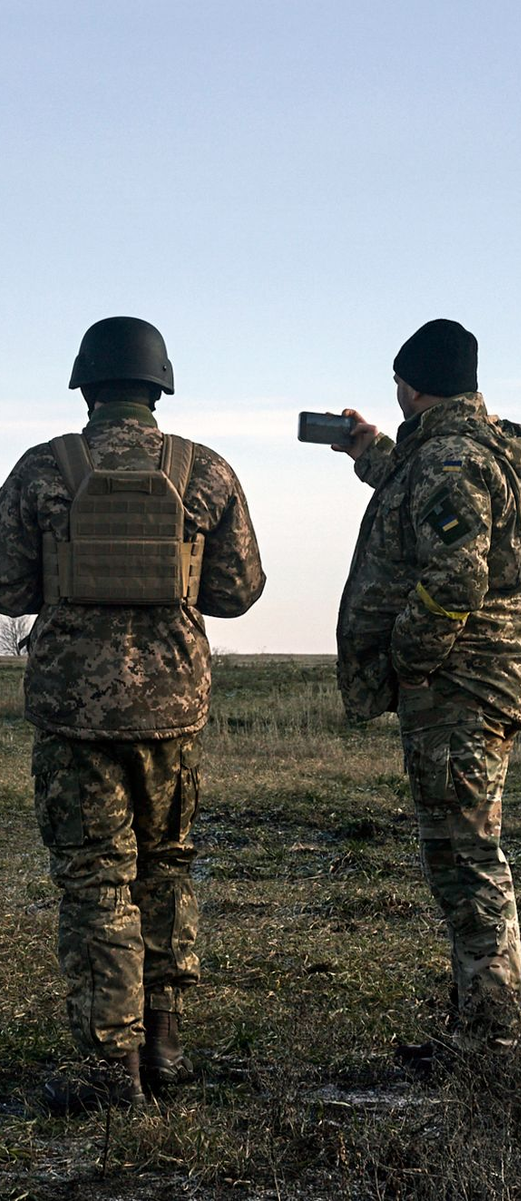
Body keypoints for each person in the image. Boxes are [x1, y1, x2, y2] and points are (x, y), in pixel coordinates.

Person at [0, 318, 265, 1110]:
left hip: (75, 716)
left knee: (97, 881)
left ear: (87, 387)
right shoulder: (206, 471)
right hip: (173, 712)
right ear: (159, 386)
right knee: (165, 867)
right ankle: (163, 1044)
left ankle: (112, 1068)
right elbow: (238, 591)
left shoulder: (46, 467)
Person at [335, 318, 521, 1060]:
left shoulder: (448, 458)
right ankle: (479, 1019)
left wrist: (410, 657)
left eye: (397, 381)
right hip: (490, 676)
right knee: (463, 850)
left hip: (459, 685)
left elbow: (456, 575)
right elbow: (425, 496)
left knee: (464, 858)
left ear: (411, 385)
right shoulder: (487, 445)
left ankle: (493, 1041)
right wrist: (368, 451)